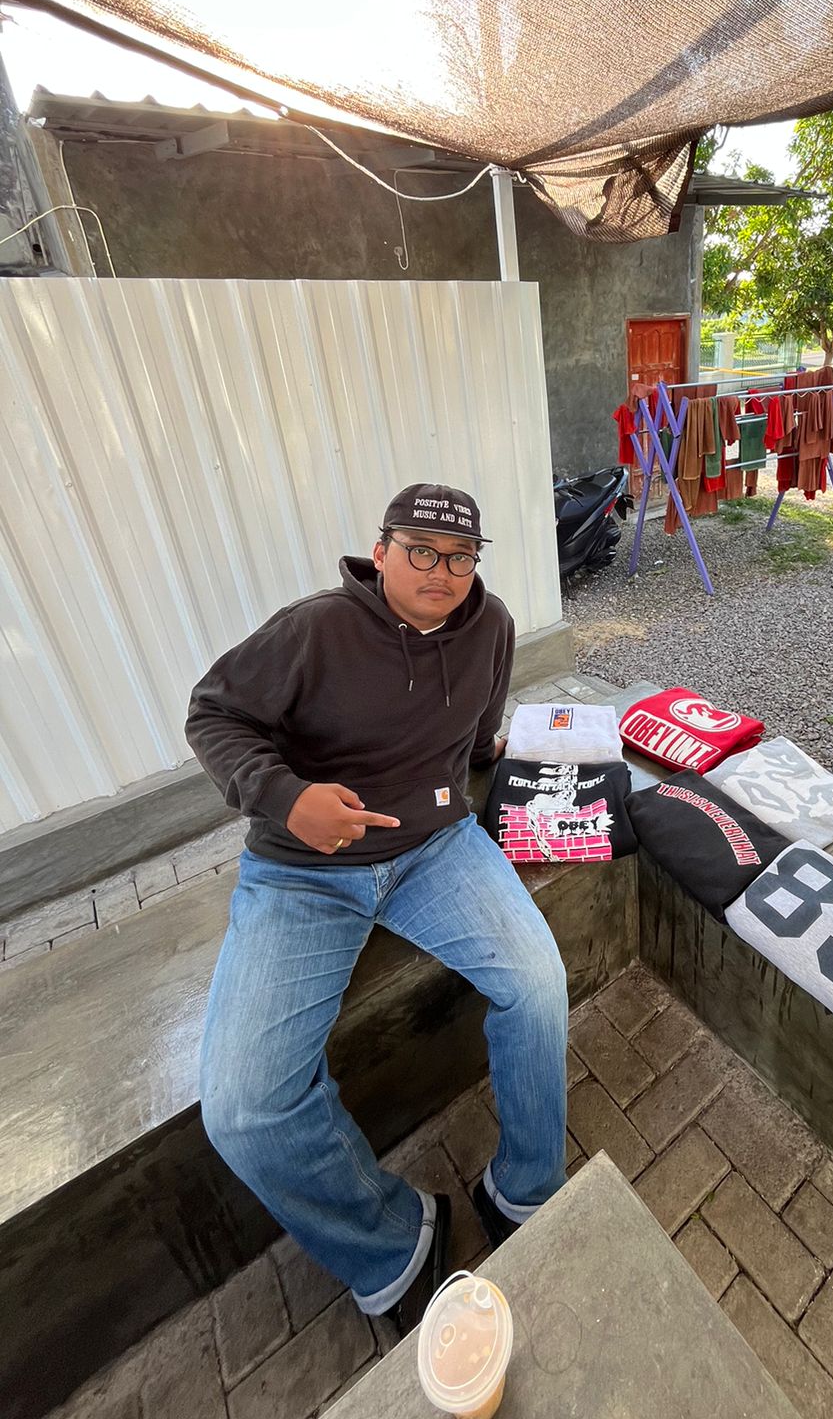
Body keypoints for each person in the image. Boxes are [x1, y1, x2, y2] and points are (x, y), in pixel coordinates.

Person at [186, 483, 568, 1328]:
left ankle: (525, 1191)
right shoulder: (315, 630)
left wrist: (500, 766)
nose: (442, 571)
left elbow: (476, 736)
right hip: (304, 873)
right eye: (421, 550)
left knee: (538, 983)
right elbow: (212, 716)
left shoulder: (492, 626)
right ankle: (394, 1242)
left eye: (460, 556)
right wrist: (285, 798)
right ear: (382, 550)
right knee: (243, 1109)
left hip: (437, 848)